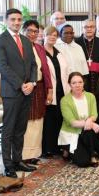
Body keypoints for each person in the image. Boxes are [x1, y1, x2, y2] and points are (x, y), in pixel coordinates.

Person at [0, 8, 37, 178]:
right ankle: (8, 165)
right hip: (12, 92)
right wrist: (21, 85)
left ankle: (18, 160)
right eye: (13, 19)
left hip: (27, 91)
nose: (17, 22)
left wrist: (32, 83)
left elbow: (33, 65)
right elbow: (3, 67)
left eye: (19, 19)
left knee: (20, 128)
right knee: (9, 130)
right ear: (6, 21)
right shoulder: (0, 41)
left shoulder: (26, 41)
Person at [59, 72, 99, 167]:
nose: (77, 85)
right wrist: (91, 123)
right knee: (83, 162)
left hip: (87, 133)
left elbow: (94, 115)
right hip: (73, 133)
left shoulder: (90, 96)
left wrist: (90, 121)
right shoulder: (65, 100)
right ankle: (72, 150)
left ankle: (88, 150)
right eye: (74, 83)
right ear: (69, 84)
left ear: (83, 83)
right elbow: (72, 122)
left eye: (80, 82)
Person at [21, 20, 53, 164]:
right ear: (23, 31)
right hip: (25, 89)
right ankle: (24, 156)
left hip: (39, 88)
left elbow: (45, 71)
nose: (32, 34)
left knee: (38, 122)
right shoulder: (19, 47)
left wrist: (50, 90)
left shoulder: (40, 48)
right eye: (29, 31)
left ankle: (34, 154)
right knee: (27, 123)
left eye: (35, 31)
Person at [42, 26, 70, 158]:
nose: (52, 37)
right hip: (47, 91)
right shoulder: (40, 52)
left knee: (59, 119)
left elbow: (65, 72)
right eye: (49, 35)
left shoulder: (58, 52)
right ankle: (47, 148)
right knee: (48, 121)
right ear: (44, 36)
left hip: (61, 91)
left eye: (55, 35)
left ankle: (56, 147)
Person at [75, 19, 99, 94]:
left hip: (98, 78)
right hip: (81, 77)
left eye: (92, 27)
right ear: (82, 28)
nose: (89, 29)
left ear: (95, 28)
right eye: (86, 27)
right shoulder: (76, 42)